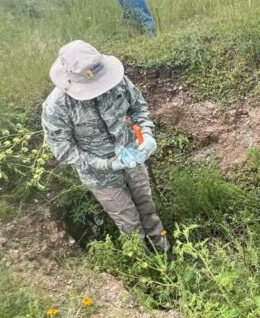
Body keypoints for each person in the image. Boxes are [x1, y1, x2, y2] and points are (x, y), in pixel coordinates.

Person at [42, 40, 168, 253]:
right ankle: (149, 268)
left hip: (133, 159)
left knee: (148, 210)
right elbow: (64, 150)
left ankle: (165, 253)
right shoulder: (57, 107)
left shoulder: (118, 82)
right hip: (101, 177)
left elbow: (139, 108)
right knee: (130, 224)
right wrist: (106, 164)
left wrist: (146, 135)